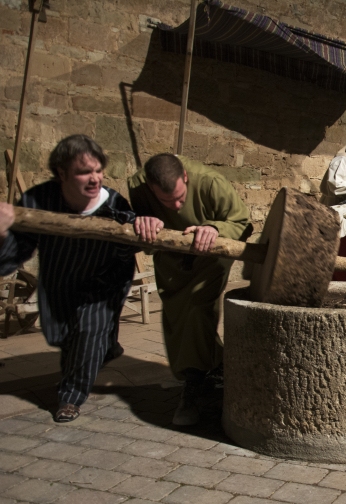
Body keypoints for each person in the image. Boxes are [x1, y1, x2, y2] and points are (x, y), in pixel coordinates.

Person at [0, 135, 136, 423]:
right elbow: (17, 250)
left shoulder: (113, 203)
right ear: (62, 173)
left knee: (89, 328)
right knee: (63, 336)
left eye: (98, 171)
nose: (94, 179)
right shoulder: (40, 199)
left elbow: (130, 246)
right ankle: (106, 346)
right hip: (60, 278)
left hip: (105, 280)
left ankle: (70, 397)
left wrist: (140, 226)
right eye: (84, 172)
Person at [129, 154, 250, 426]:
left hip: (212, 253)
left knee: (198, 309)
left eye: (181, 199)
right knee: (176, 316)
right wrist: (144, 223)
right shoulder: (138, 187)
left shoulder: (210, 183)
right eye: (166, 202)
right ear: (150, 188)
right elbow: (140, 229)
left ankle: (193, 384)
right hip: (172, 260)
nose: (175, 205)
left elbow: (241, 222)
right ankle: (217, 365)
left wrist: (214, 227)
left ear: (185, 176)